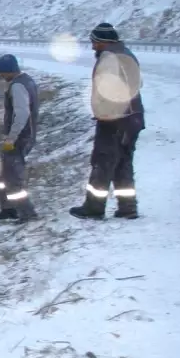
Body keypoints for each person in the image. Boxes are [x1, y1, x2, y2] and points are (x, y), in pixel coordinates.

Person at [69, 23, 145, 220]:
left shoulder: (109, 58)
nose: (93, 46)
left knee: (102, 162)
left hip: (115, 119)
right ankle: (128, 208)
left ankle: (94, 208)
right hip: (133, 118)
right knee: (123, 163)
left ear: (103, 42)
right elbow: (139, 83)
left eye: (94, 42)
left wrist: (106, 113)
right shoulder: (127, 54)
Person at [0, 53, 39, 222]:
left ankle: (27, 213)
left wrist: (11, 138)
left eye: (2, 73)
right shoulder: (27, 81)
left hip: (20, 137)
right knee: (3, 174)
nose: (1, 76)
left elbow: (22, 114)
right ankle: (8, 208)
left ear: (7, 71)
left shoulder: (17, 86)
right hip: (23, 135)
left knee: (13, 177)